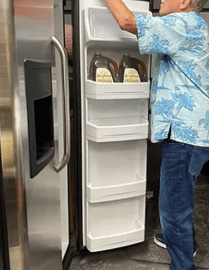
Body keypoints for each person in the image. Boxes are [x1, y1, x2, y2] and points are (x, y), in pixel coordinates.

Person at [104, 0, 209, 269]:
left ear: (185, 2)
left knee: (173, 209)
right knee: (181, 196)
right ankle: (186, 242)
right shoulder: (194, 25)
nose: (161, 0)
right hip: (193, 131)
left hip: (186, 134)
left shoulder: (180, 24)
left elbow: (127, 21)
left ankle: (183, 264)